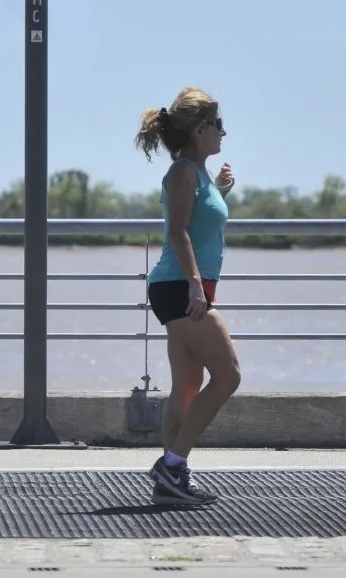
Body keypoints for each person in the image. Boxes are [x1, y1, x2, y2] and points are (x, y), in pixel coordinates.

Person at [133, 86, 241, 505]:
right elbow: (177, 231)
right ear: (199, 130)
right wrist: (196, 284)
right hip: (181, 286)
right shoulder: (181, 173)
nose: (223, 132)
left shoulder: (196, 176)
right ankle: (172, 465)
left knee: (187, 385)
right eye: (217, 124)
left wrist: (219, 192)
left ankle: (170, 480)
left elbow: (196, 222)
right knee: (229, 376)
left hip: (182, 285)